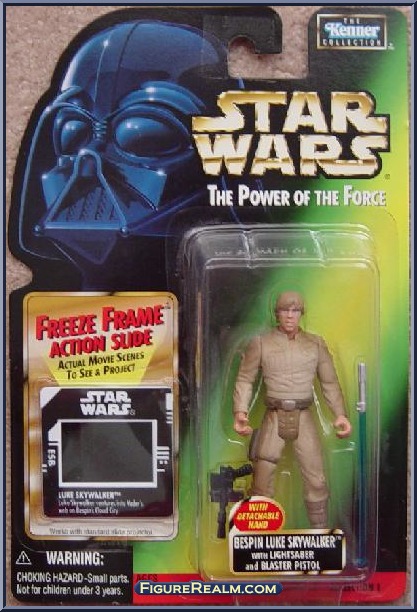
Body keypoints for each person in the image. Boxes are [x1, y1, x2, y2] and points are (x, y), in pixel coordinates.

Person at [233, 291, 352, 528]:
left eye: (295, 311)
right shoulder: (261, 342)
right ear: (276, 313)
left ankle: (320, 533)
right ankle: (258, 534)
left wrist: (340, 414)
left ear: (301, 314)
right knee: (262, 477)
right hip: (274, 416)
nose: (289, 315)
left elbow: (329, 382)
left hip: (304, 415)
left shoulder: (315, 344)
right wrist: (240, 412)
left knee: (316, 478)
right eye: (284, 310)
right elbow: (245, 378)